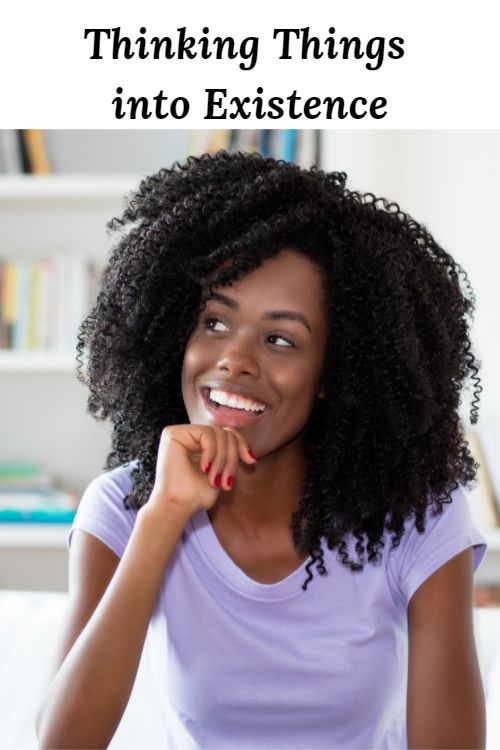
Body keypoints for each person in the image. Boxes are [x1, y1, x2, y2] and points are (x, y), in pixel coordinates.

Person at [35, 150, 488, 749]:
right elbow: (61, 744)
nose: (234, 360)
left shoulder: (417, 514)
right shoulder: (125, 505)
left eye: (280, 338)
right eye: (215, 323)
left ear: (335, 373)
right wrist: (163, 516)